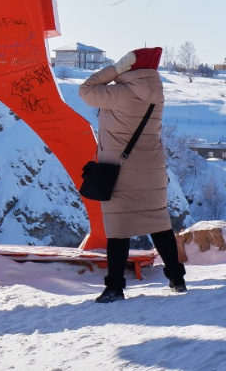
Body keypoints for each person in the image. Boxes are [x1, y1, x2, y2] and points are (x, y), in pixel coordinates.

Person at [78, 47, 187, 303]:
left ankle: (115, 287)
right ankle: (177, 278)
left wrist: (114, 70)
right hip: (153, 171)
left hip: (121, 171)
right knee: (159, 223)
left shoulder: (119, 93)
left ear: (130, 67)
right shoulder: (156, 94)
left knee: (119, 228)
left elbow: (85, 90)